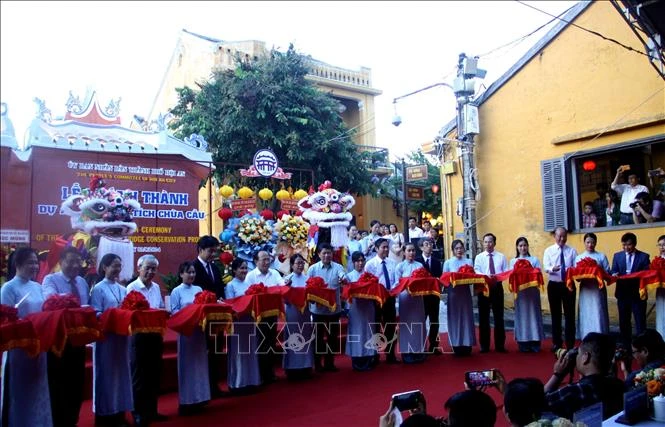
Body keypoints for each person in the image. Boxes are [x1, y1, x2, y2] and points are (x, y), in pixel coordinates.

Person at [1, 247, 53, 427]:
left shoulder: (38, 287)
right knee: (20, 390)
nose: (34, 266)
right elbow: (6, 320)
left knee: (37, 388)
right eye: (30, 262)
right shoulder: (8, 287)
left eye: (35, 263)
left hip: (39, 345)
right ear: (17, 264)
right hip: (19, 349)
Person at [42, 246, 90, 427]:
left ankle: (72, 420)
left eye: (78, 261)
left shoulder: (82, 282)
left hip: (78, 341)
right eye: (71, 261)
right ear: (61, 262)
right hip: (58, 341)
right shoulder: (50, 280)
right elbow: (50, 302)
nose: (75, 265)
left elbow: (87, 307)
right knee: (58, 382)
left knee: (76, 382)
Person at [90, 253, 133, 427]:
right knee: (106, 375)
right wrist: (113, 316)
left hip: (121, 337)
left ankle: (120, 413)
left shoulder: (123, 289)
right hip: (105, 338)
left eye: (119, 265)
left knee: (121, 374)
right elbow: (95, 313)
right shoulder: (98, 288)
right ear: (104, 267)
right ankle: (105, 415)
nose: (117, 269)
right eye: (114, 265)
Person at [544, 332, 624, 420]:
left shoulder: (572, 392)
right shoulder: (620, 385)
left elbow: (539, 403)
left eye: (578, 353)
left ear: (586, 357)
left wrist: (557, 375)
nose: (576, 357)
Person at [126, 254, 166, 426]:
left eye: (153, 269)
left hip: (155, 335)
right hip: (138, 336)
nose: (150, 272)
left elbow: (161, 307)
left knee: (154, 373)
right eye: (147, 268)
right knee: (139, 375)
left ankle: (152, 410)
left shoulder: (156, 287)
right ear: (139, 268)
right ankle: (138, 412)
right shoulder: (131, 288)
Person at [170, 261, 210, 415]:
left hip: (199, 331)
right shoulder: (176, 291)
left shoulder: (199, 289)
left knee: (200, 363)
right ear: (181, 274)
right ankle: (187, 401)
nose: (192, 275)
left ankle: (201, 397)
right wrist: (189, 315)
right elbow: (174, 312)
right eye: (188, 272)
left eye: (193, 272)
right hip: (186, 332)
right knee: (187, 365)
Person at [192, 235, 225, 398]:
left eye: (215, 251)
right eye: (210, 251)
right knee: (204, 352)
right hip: (201, 319)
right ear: (200, 250)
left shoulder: (215, 267)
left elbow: (220, 289)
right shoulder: (192, 268)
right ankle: (204, 387)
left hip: (217, 318)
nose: (213, 254)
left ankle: (214, 385)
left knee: (216, 352)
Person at [246, 250, 285, 383]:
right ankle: (260, 374)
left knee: (271, 343)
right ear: (256, 261)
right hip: (258, 316)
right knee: (260, 344)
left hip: (272, 314)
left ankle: (270, 372)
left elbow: (282, 286)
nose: (267, 262)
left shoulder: (274, 273)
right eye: (263, 260)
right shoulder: (250, 276)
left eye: (268, 259)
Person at [224, 258, 262, 393]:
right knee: (239, 352)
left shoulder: (249, 285)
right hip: (238, 323)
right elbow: (230, 305)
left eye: (246, 268)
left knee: (250, 350)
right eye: (241, 268)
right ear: (234, 270)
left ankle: (252, 381)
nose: (244, 271)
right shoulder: (230, 286)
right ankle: (238, 383)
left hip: (249, 322)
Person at [308, 243, 346, 372]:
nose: (326, 255)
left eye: (329, 253)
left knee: (332, 337)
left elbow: (343, 276)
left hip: (333, 309)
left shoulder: (338, 267)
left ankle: (330, 363)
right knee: (318, 338)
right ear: (319, 254)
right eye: (324, 253)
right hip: (317, 310)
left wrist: (343, 279)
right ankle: (317, 363)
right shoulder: (312, 269)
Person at [611, 232, 650, 347]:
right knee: (623, 322)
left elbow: (647, 274)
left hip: (637, 295)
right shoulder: (617, 256)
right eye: (623, 245)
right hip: (622, 294)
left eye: (628, 245)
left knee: (640, 322)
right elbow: (613, 270)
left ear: (634, 244)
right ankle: (625, 345)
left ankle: (641, 346)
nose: (626, 248)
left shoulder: (644, 257)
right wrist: (614, 273)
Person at [542, 226, 578, 351]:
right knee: (555, 315)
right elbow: (546, 266)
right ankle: (557, 343)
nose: (562, 239)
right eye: (559, 236)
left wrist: (571, 271)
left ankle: (570, 343)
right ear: (554, 236)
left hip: (568, 285)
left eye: (564, 236)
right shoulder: (549, 251)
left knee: (570, 315)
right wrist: (553, 268)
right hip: (554, 284)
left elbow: (576, 267)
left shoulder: (572, 251)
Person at [365, 238, 399, 363]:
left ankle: (390, 354)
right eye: (383, 247)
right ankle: (375, 354)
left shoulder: (392, 263)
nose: (386, 250)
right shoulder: (370, 264)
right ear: (376, 249)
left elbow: (396, 280)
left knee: (390, 326)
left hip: (389, 298)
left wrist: (393, 290)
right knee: (375, 327)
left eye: (387, 247)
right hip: (376, 300)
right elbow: (368, 283)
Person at [474, 233, 508, 353]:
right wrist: (485, 276)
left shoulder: (501, 256)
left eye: (490, 242)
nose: (488, 244)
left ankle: (500, 345)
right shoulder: (479, 257)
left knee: (499, 317)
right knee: (484, 317)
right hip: (484, 287)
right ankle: (484, 345)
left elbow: (505, 271)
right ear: (483, 244)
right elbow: (476, 270)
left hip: (497, 287)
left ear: (494, 243)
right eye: (486, 242)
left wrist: (497, 276)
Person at [282, 254, 315, 379]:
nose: (300, 265)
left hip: (305, 313)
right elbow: (284, 299)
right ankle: (292, 368)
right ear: (292, 265)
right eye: (298, 263)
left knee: (305, 338)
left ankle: (306, 366)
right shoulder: (287, 280)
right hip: (292, 313)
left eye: (302, 263)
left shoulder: (308, 279)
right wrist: (287, 288)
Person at [345, 251, 378, 371]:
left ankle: (369, 358)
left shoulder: (369, 275)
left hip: (368, 307)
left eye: (362, 261)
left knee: (369, 332)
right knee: (357, 333)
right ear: (353, 263)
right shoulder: (349, 276)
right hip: (355, 308)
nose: (360, 263)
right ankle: (357, 359)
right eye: (357, 261)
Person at [510, 237, 544, 353]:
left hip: (532, 292)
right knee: (522, 317)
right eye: (520, 246)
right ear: (517, 247)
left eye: (524, 245)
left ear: (527, 246)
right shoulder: (513, 261)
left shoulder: (534, 260)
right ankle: (523, 342)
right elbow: (511, 277)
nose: (523, 248)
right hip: (520, 294)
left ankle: (535, 342)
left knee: (533, 316)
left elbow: (538, 273)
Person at [574, 233, 610, 339]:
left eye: (592, 242)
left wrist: (599, 269)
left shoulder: (601, 256)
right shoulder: (579, 258)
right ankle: (585, 335)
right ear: (584, 243)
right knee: (586, 312)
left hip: (598, 289)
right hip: (585, 289)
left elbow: (607, 273)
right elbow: (577, 278)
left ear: (596, 243)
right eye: (588, 242)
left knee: (598, 311)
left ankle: (601, 335)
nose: (590, 245)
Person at [395, 243, 426, 364]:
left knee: (419, 325)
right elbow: (396, 284)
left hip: (418, 299)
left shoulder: (420, 266)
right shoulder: (400, 266)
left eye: (413, 250)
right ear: (404, 252)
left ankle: (419, 351)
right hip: (405, 299)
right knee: (406, 326)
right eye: (409, 250)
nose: (411, 253)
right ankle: (407, 352)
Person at [443, 240, 476, 356]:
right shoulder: (448, 263)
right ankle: (456, 344)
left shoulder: (469, 261)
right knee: (455, 318)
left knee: (466, 317)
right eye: (456, 248)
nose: (459, 250)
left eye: (461, 248)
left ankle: (467, 343)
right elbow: (444, 279)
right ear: (453, 250)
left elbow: (473, 277)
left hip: (465, 293)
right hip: (453, 294)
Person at [416, 238, 443, 354]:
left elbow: (440, 277)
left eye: (430, 244)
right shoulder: (417, 261)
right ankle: (421, 344)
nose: (429, 246)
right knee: (421, 320)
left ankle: (434, 345)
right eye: (426, 244)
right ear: (421, 247)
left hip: (434, 295)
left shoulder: (437, 262)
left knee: (434, 321)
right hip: (421, 296)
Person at [656, 235, 665, 338]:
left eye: (664, 245)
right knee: (661, 315)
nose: (662, 247)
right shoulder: (657, 260)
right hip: (661, 291)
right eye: (660, 245)